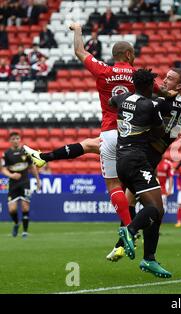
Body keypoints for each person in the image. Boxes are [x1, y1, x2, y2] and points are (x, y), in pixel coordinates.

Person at [24, 22, 140, 234]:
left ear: (115, 55)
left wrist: (77, 29)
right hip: (134, 135)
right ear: (129, 54)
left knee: (114, 184)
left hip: (111, 132)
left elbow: (79, 51)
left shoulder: (104, 71)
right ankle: (131, 232)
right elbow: (163, 93)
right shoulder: (139, 76)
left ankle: (129, 229)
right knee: (90, 147)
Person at [115, 68, 181, 270]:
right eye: (165, 77)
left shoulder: (157, 100)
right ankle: (131, 244)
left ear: (179, 85)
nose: (164, 80)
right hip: (143, 155)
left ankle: (128, 241)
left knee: (137, 201)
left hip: (142, 153)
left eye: (170, 78)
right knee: (148, 206)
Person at [110, 68, 171, 277]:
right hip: (137, 160)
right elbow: (160, 131)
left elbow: (111, 101)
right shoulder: (151, 105)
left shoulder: (121, 97)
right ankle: (130, 230)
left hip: (121, 161)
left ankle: (149, 259)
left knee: (156, 211)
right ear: (148, 86)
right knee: (155, 208)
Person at [1, 132, 41, 238]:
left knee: (25, 207)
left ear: (20, 139)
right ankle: (16, 224)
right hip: (13, 184)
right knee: (12, 209)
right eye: (13, 139)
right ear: (10, 141)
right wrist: (11, 175)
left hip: (25, 183)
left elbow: (32, 167)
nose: (15, 140)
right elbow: (3, 169)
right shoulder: (6, 154)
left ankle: (25, 232)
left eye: (17, 138)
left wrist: (38, 180)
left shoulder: (26, 152)